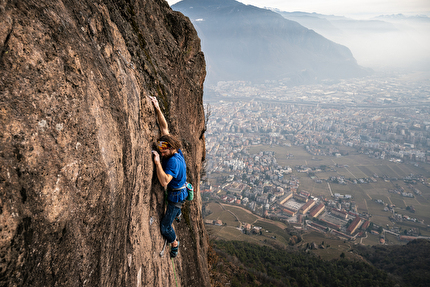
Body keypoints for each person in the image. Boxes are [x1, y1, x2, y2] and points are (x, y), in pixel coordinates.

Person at [150, 96, 188, 258]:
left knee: (165, 227)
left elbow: (165, 181)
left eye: (163, 151)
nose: (161, 152)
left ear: (170, 148)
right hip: (181, 191)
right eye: (161, 151)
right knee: (173, 213)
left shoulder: (172, 162)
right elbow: (164, 128)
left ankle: (174, 243)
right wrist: (157, 107)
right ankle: (177, 214)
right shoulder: (175, 150)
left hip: (176, 197)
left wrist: (158, 163)